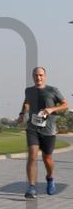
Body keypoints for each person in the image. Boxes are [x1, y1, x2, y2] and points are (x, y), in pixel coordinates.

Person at [17, 67, 68, 198]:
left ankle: (50, 178)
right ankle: (31, 187)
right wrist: (22, 113)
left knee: (47, 158)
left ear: (45, 76)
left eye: (40, 75)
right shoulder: (28, 91)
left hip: (48, 130)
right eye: (36, 75)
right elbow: (26, 102)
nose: (38, 78)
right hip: (32, 128)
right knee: (32, 156)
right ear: (32, 76)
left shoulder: (53, 90)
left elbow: (65, 105)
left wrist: (51, 109)